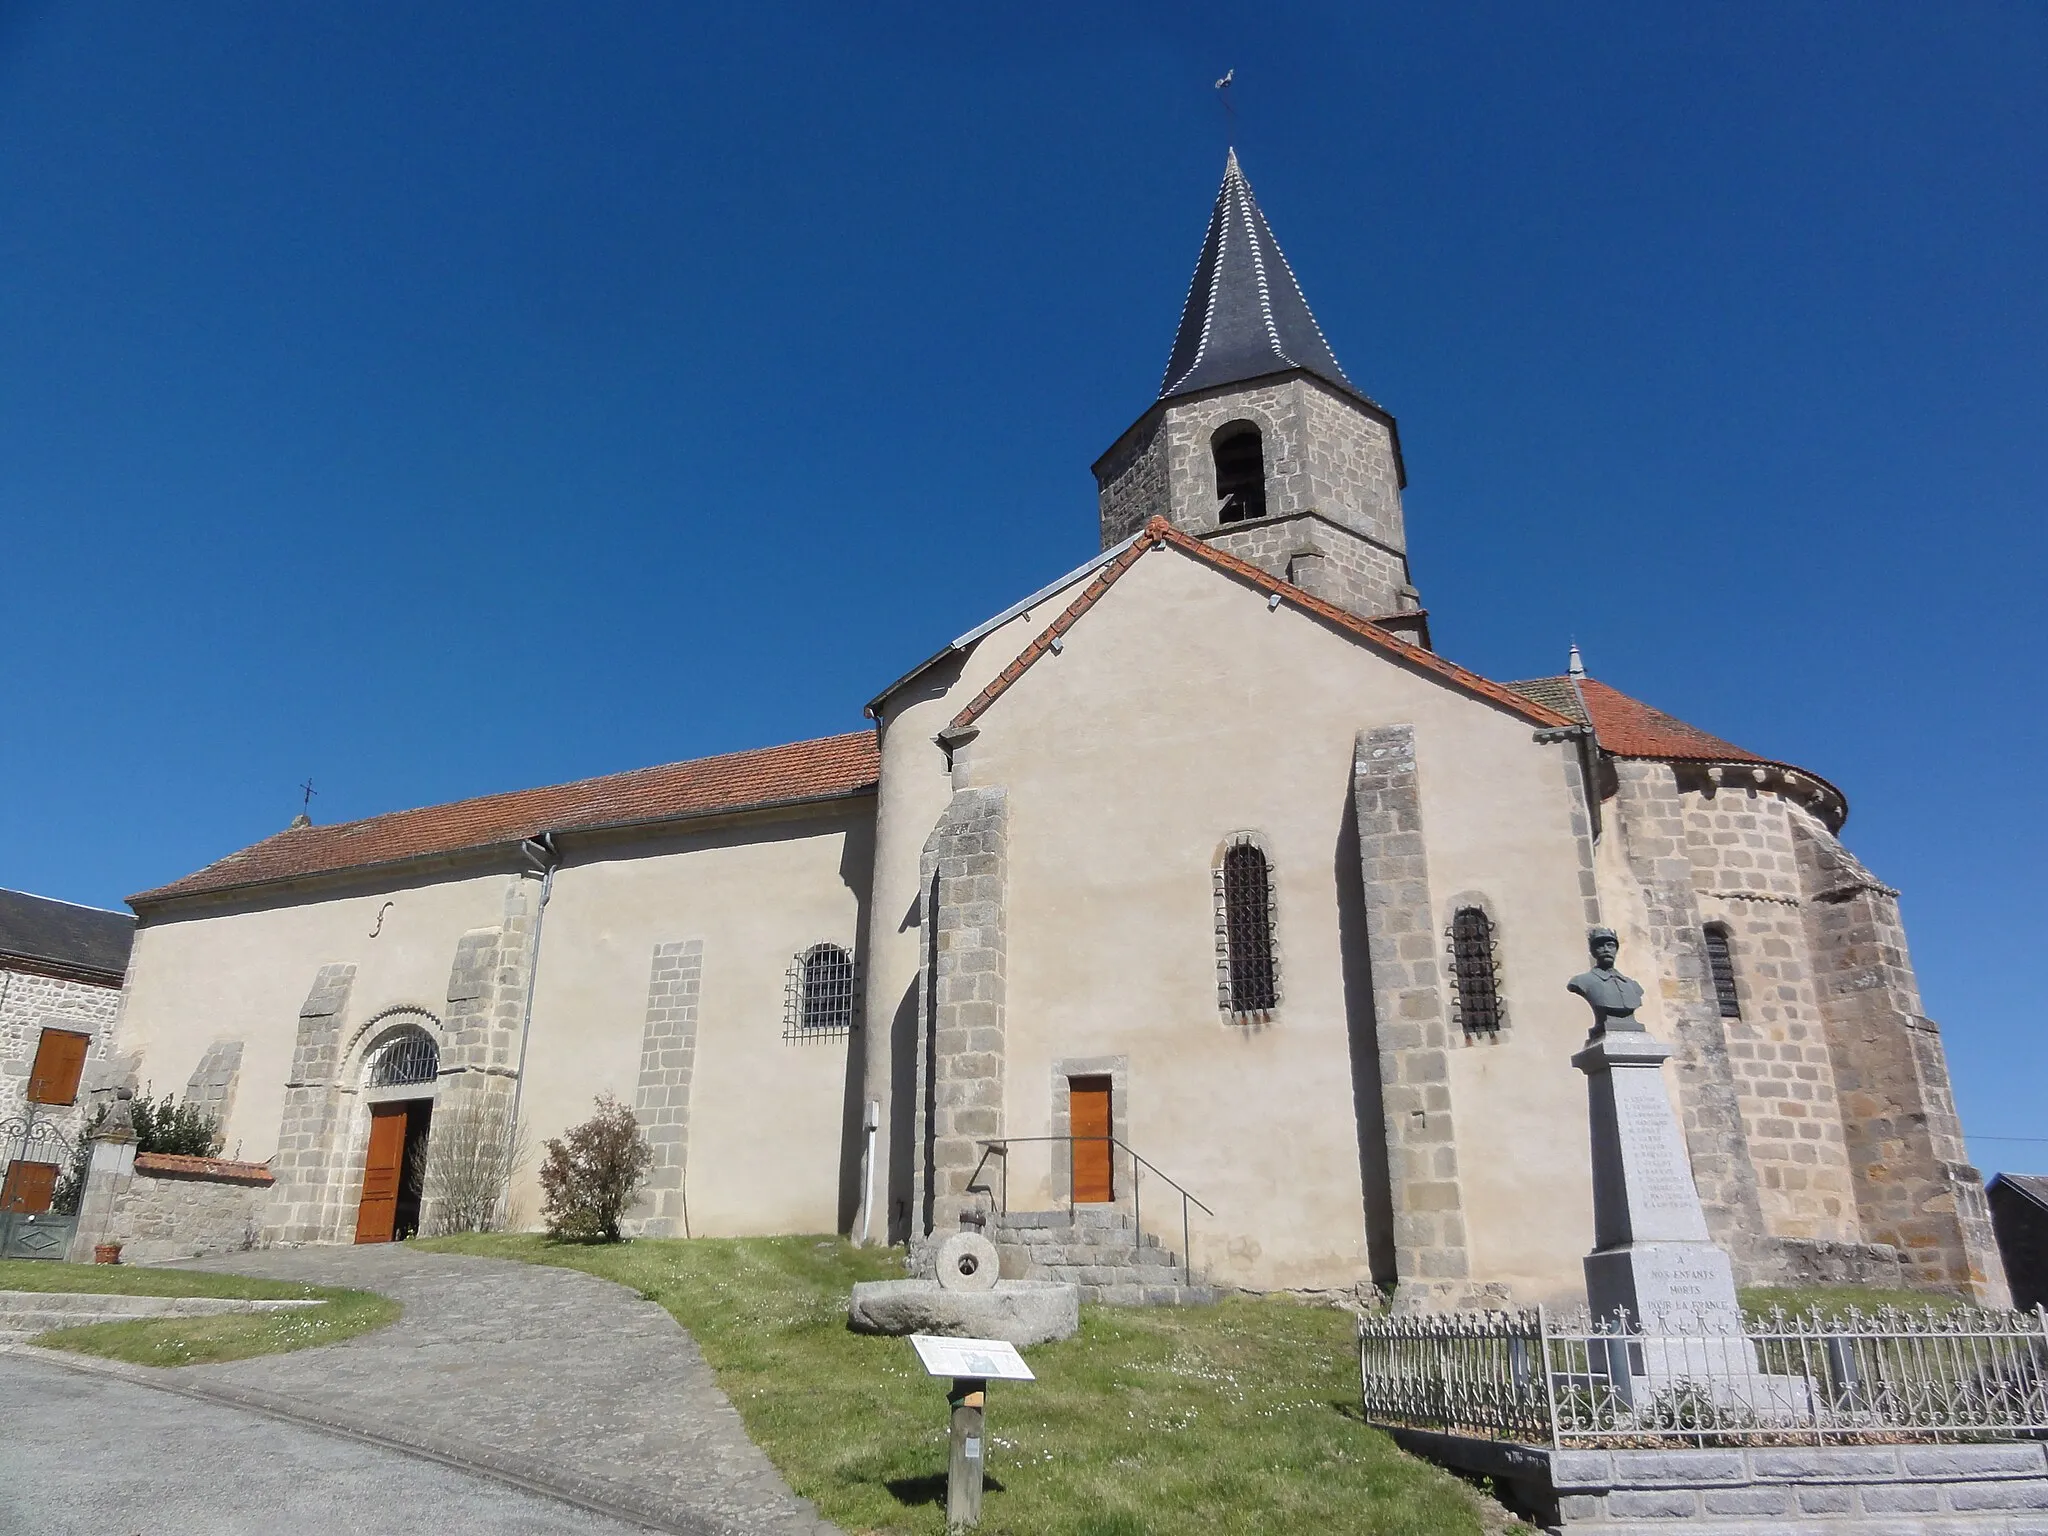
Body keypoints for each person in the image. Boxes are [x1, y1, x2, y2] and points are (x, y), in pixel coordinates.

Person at [1567, 927, 1645, 1033]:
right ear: (1593, 951)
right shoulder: (1582, 981)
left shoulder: (1633, 985)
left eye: (1610, 945)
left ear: (1616, 950)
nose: (1606, 949)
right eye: (1600, 946)